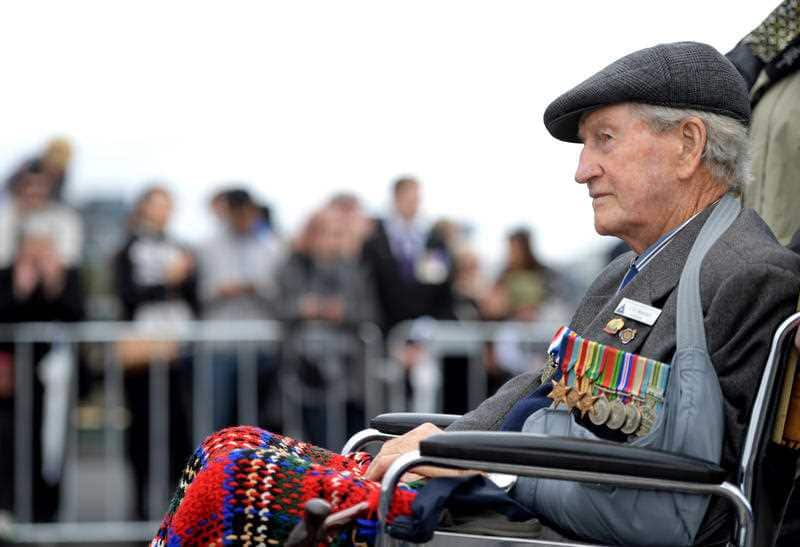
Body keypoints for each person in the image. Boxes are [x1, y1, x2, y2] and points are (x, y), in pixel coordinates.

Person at [153, 42, 800, 547]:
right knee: (228, 445)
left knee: (232, 478)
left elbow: (705, 499)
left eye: (604, 139)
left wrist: (460, 456)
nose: (582, 169)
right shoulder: (630, 270)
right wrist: (449, 441)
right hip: (509, 488)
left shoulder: (744, 272)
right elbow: (542, 392)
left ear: (687, 145)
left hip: (546, 519)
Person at [112, 185, 197, 520]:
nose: (162, 212)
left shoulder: (181, 247)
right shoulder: (128, 249)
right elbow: (127, 295)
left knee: (179, 433)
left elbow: (193, 294)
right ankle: (138, 511)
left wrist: (182, 279)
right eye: (156, 205)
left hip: (179, 352)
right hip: (143, 356)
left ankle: (180, 512)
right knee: (142, 433)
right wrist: (167, 281)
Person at [277, 205, 377, 448]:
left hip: (349, 377)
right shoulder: (293, 268)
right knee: (316, 445)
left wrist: (343, 313)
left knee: (350, 444)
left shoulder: (354, 270)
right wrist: (303, 309)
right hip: (306, 376)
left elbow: (369, 311)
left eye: (338, 233)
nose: (333, 240)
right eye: (327, 233)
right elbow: (279, 307)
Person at [197, 187, 285, 430]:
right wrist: (223, 289)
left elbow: (280, 293)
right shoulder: (207, 246)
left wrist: (256, 288)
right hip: (220, 344)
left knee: (259, 424)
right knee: (216, 420)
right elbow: (201, 292)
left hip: (261, 344)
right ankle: (210, 468)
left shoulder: (272, 246)